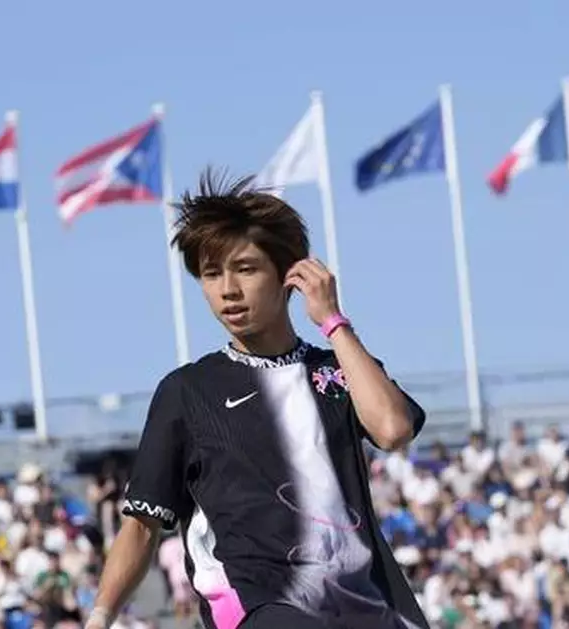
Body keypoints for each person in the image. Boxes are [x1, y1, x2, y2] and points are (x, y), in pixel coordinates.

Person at [85, 171, 429, 629]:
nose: (227, 289)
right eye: (211, 274)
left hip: (367, 607)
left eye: (245, 268)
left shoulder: (338, 368)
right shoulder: (188, 391)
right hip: (258, 610)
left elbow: (393, 429)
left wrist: (332, 320)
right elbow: (142, 523)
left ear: (289, 275)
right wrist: (100, 616)